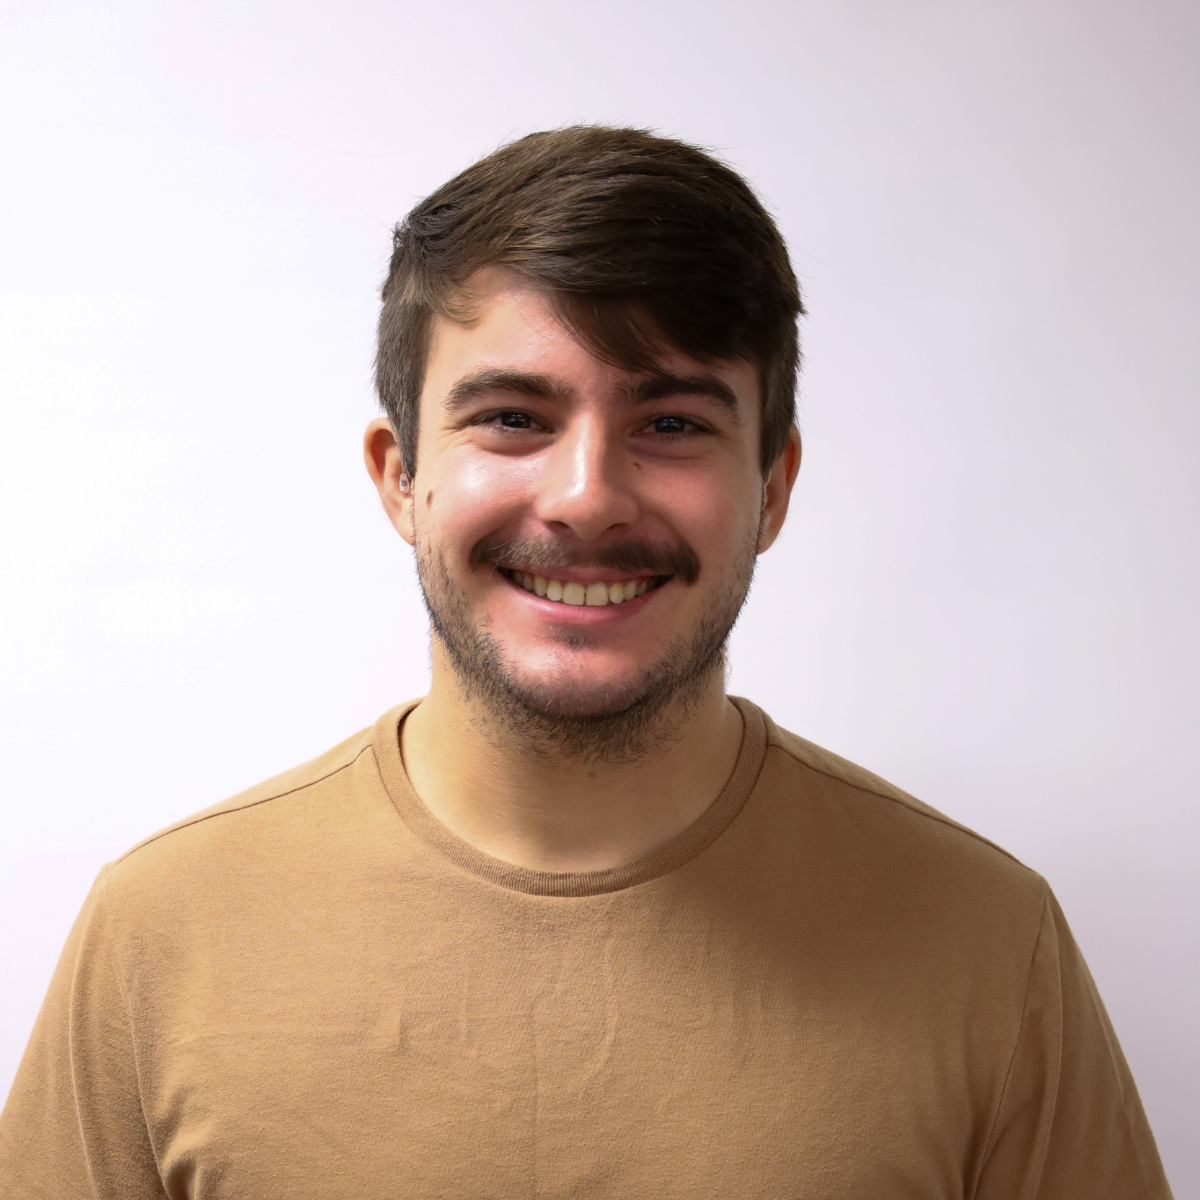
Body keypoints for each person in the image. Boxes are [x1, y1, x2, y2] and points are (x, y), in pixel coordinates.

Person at [0, 126, 1172, 1199]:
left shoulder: (987, 944)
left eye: (670, 423)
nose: (586, 496)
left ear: (770, 489)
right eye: (513, 417)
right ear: (398, 477)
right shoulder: (162, 935)